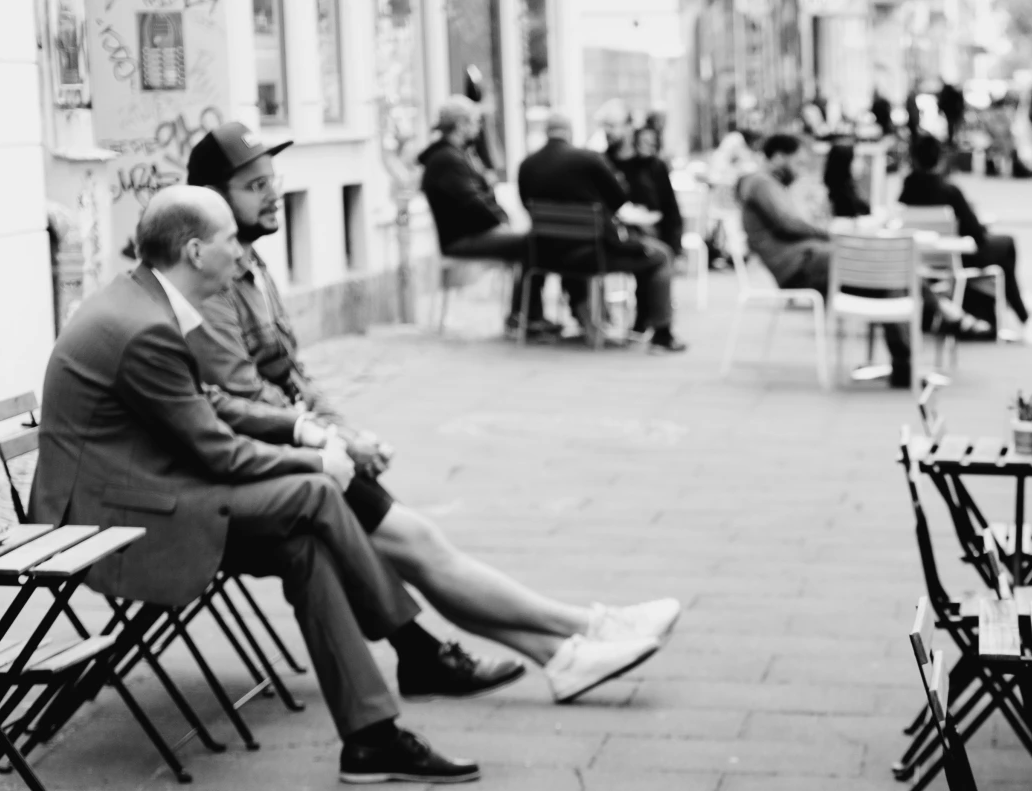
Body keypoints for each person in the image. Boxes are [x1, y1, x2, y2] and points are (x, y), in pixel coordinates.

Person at [186, 124, 674, 703]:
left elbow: (292, 373)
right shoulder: (212, 280)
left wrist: (344, 431)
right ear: (214, 200)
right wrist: (329, 444)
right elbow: (241, 394)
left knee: (418, 547)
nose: (272, 195)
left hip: (293, 454)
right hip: (264, 469)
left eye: (273, 181)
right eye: (254, 185)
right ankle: (582, 631)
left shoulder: (250, 265)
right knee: (419, 545)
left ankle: (562, 650)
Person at [32, 190, 477, 784]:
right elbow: (214, 449)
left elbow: (205, 403)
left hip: (145, 489)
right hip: (117, 521)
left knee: (306, 548)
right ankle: (415, 649)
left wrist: (300, 428)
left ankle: (372, 736)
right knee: (316, 497)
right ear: (194, 250)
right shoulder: (141, 327)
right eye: (230, 240)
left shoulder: (144, 303)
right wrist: (315, 464)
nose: (242, 254)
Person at [737, 131, 914, 386]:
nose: (800, 170)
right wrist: (830, 234)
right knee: (883, 268)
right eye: (797, 163)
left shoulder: (767, 184)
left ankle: (907, 357)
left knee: (886, 274)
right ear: (777, 157)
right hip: (798, 266)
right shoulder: (761, 183)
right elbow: (789, 224)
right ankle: (935, 318)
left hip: (807, 260)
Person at [518, 110, 679, 351]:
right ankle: (662, 334)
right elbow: (619, 199)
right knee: (661, 255)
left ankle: (588, 318)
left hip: (546, 253)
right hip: (594, 254)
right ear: (569, 132)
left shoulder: (526, 165)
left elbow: (525, 205)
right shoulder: (588, 159)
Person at [900, 134, 1032, 342]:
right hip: (955, 257)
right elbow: (976, 234)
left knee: (1003, 247)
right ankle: (1022, 313)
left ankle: (1020, 308)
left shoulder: (907, 189)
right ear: (940, 158)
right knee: (1006, 246)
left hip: (923, 258)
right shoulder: (948, 191)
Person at [419, 96, 548, 338]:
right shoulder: (446, 160)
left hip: (472, 232)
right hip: (462, 238)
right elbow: (472, 203)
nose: (478, 129)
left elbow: (478, 199)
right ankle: (524, 318)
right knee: (532, 243)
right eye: (476, 122)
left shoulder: (455, 156)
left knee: (530, 240)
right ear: (461, 125)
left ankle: (526, 316)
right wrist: (501, 224)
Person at [614, 120, 689, 291]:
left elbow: (670, 209)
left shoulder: (657, 167)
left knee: (658, 255)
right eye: (643, 142)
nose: (648, 146)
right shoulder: (623, 167)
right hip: (630, 230)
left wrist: (677, 247)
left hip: (654, 229)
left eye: (652, 142)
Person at [823, 132, 870, 218]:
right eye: (857, 158)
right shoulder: (840, 203)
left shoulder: (852, 194)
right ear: (844, 162)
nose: (863, 165)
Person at [937, 81, 968, 147]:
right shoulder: (953, 94)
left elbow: (942, 103)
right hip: (953, 113)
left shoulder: (948, 94)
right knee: (954, 127)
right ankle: (953, 141)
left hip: (952, 113)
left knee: (952, 127)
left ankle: (953, 141)